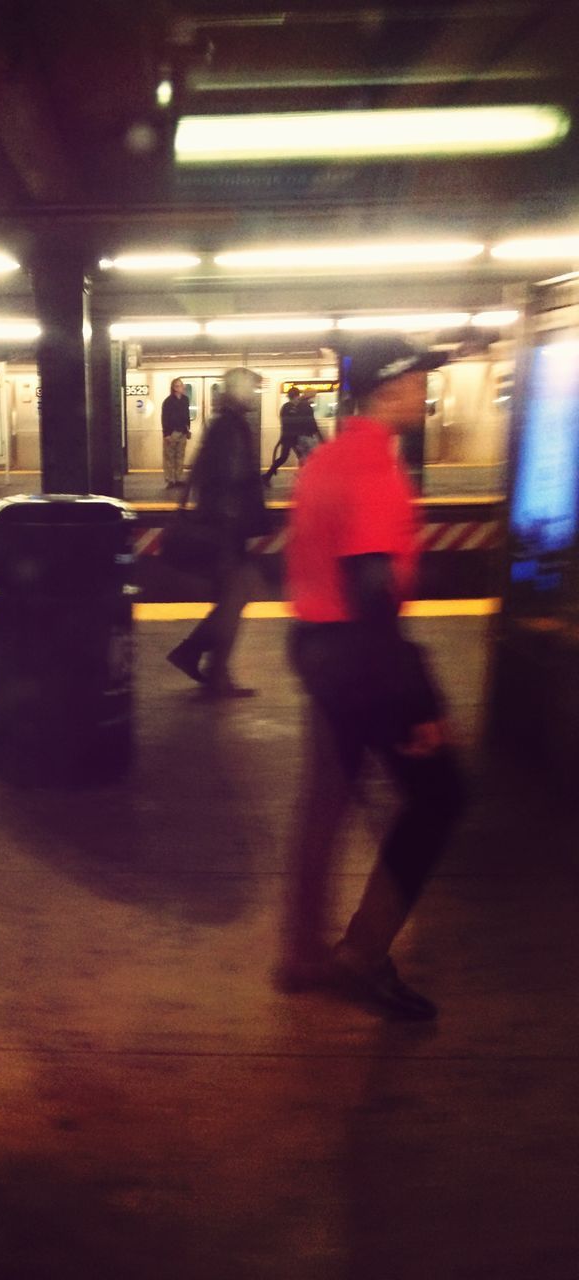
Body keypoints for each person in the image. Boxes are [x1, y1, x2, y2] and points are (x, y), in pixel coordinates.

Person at [276, 335, 466, 1020]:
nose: (424, 391)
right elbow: (371, 591)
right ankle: (362, 955)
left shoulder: (324, 458)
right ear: (388, 389)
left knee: (326, 800)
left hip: (317, 649)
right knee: (441, 796)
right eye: (418, 381)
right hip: (362, 657)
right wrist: (419, 705)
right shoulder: (375, 471)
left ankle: (299, 956)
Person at [166, 367, 267, 698]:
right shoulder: (232, 427)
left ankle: (203, 661)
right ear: (239, 392)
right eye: (251, 390)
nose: (255, 396)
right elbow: (233, 478)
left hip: (223, 526)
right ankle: (206, 665)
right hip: (226, 530)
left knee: (232, 599)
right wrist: (238, 528)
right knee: (234, 598)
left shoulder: (222, 425)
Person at [161, 377, 191, 488]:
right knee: (169, 457)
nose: (182, 387)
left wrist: (188, 429)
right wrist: (166, 434)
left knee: (180, 456)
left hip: (183, 431)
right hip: (172, 432)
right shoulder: (168, 402)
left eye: (182, 385)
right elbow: (164, 418)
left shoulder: (185, 400)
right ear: (174, 388)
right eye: (180, 386)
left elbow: (187, 415)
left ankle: (178, 478)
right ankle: (170, 479)